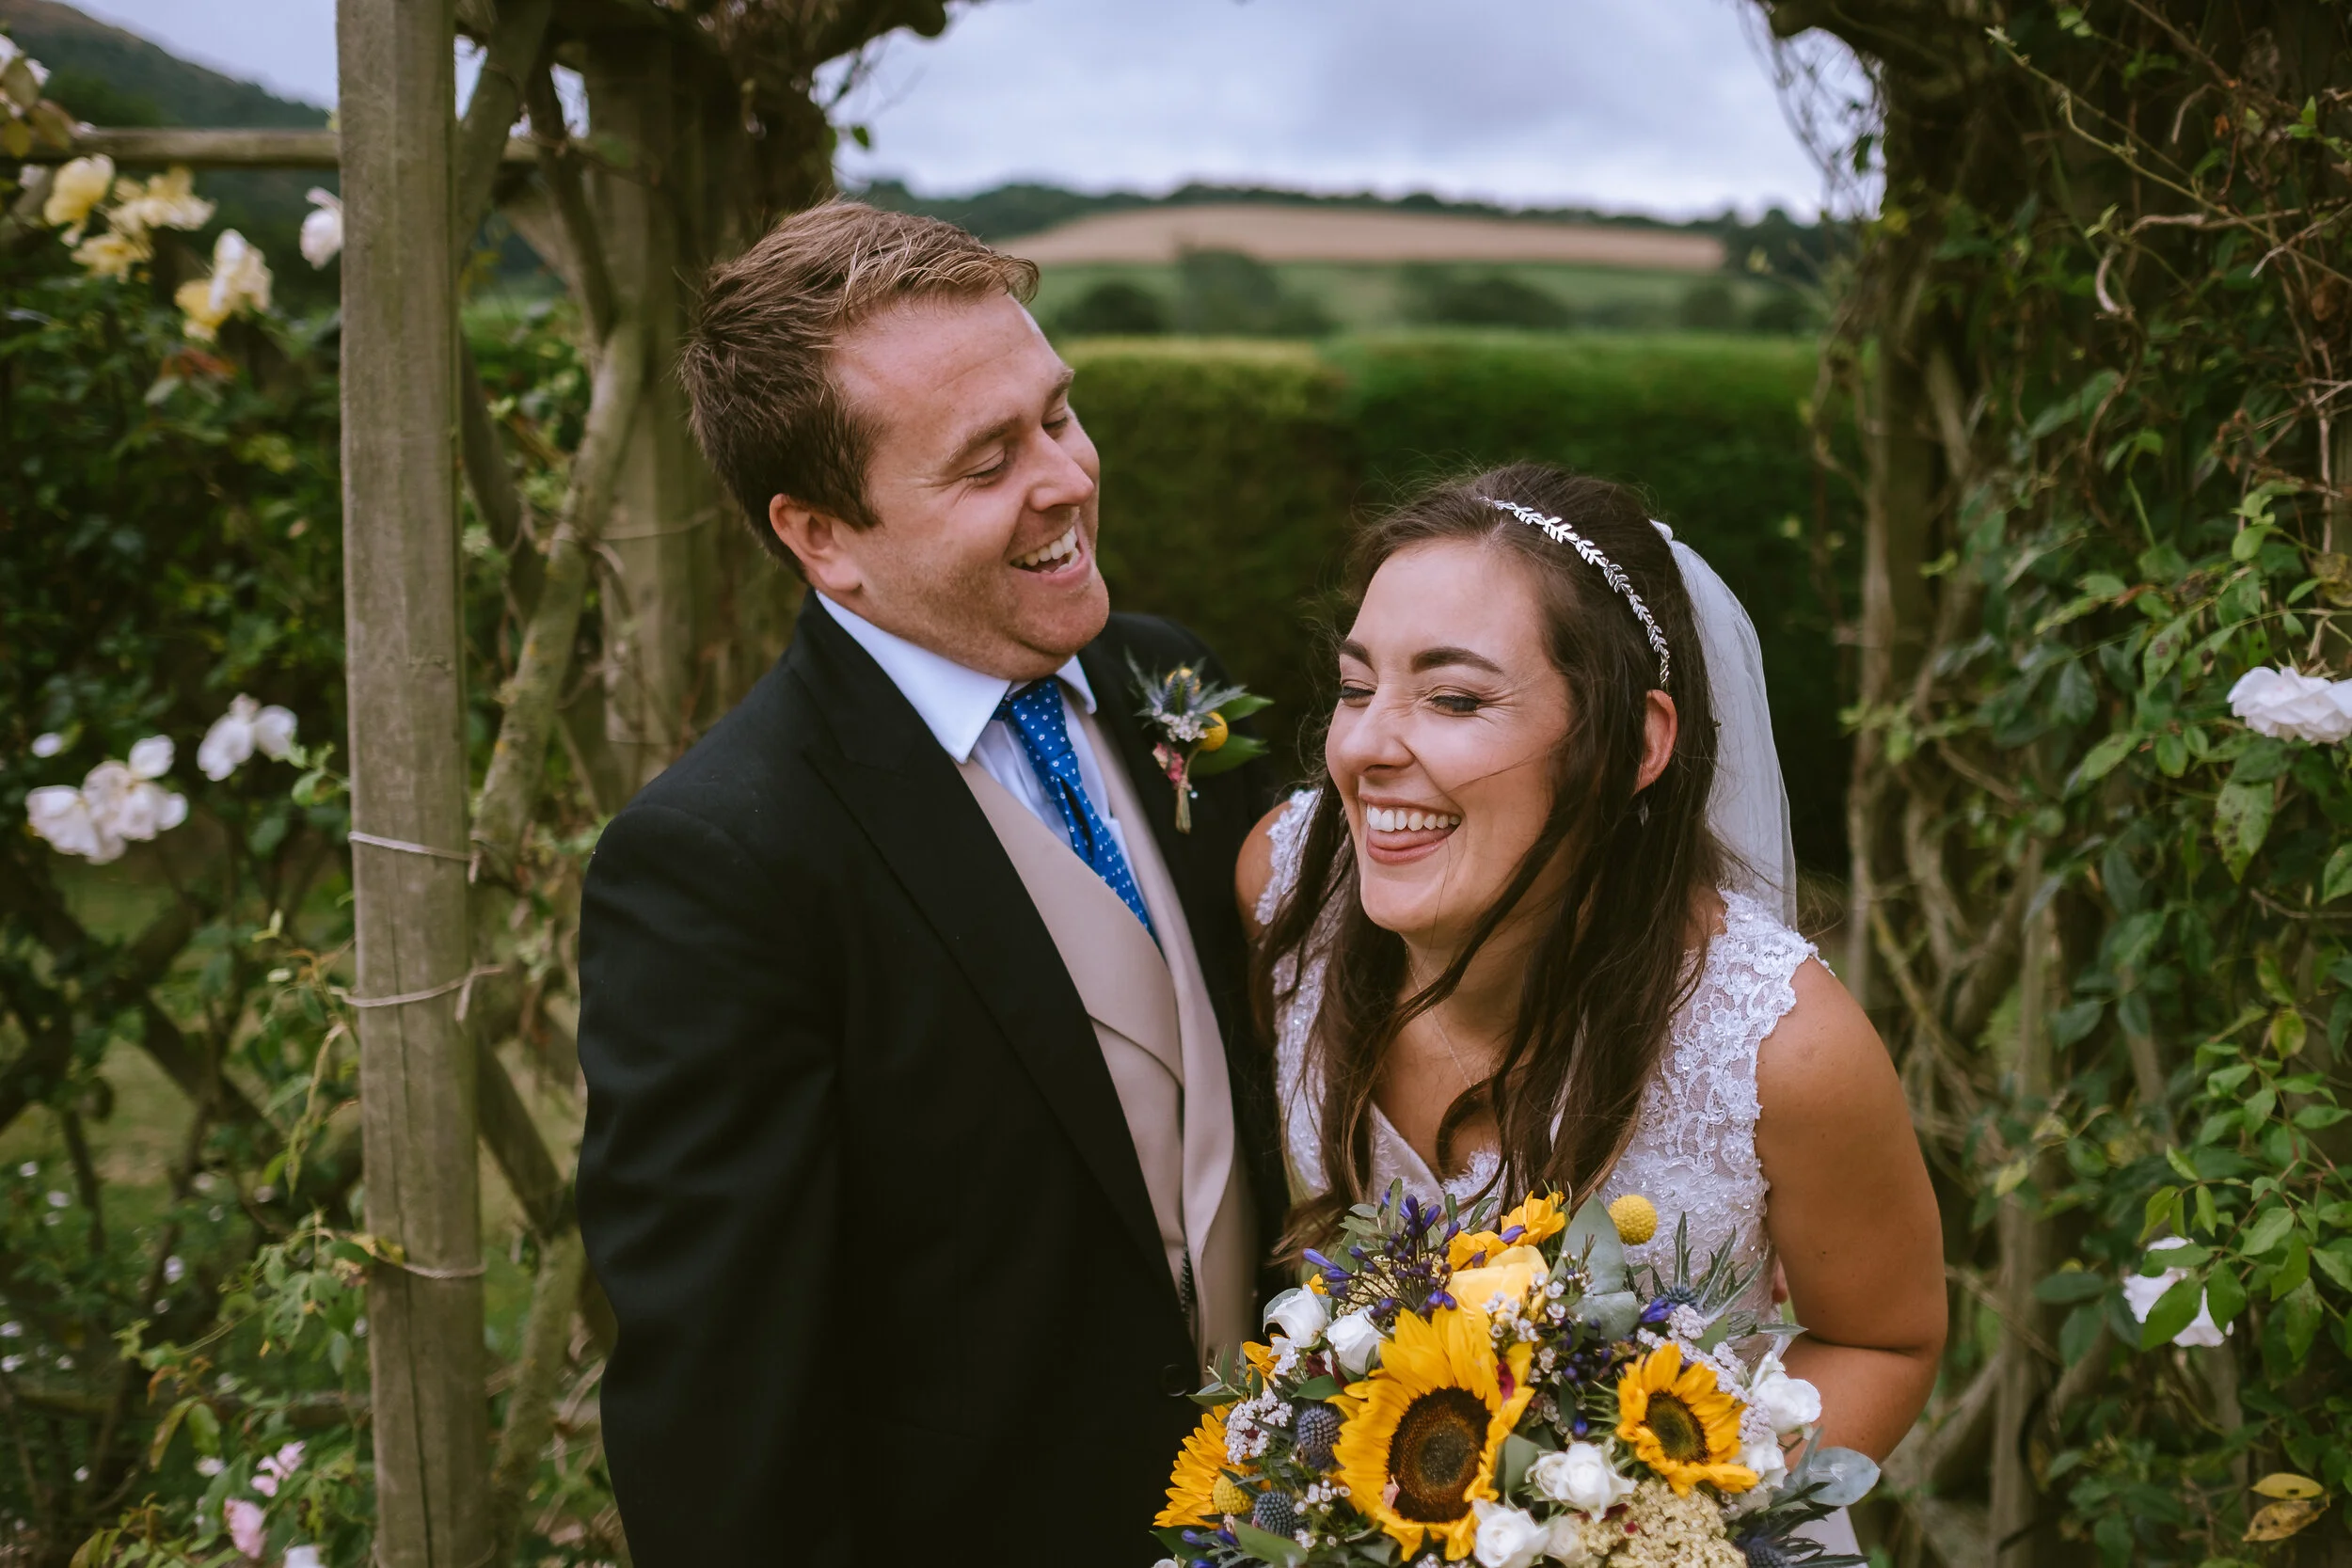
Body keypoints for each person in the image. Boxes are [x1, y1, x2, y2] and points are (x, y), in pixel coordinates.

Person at [574, 202, 1288, 1566]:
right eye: (986, 462)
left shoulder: (1167, 679)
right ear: (822, 535)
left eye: (1058, 414)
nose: (1068, 478)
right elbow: (723, 1408)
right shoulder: (719, 865)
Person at [1238, 462, 1946, 1548]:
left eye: (1455, 697)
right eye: (1355, 684)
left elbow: (1884, 1339)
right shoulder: (1288, 886)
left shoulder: (1778, 1047)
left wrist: (1652, 1521)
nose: (1367, 745)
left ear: (1637, 742)